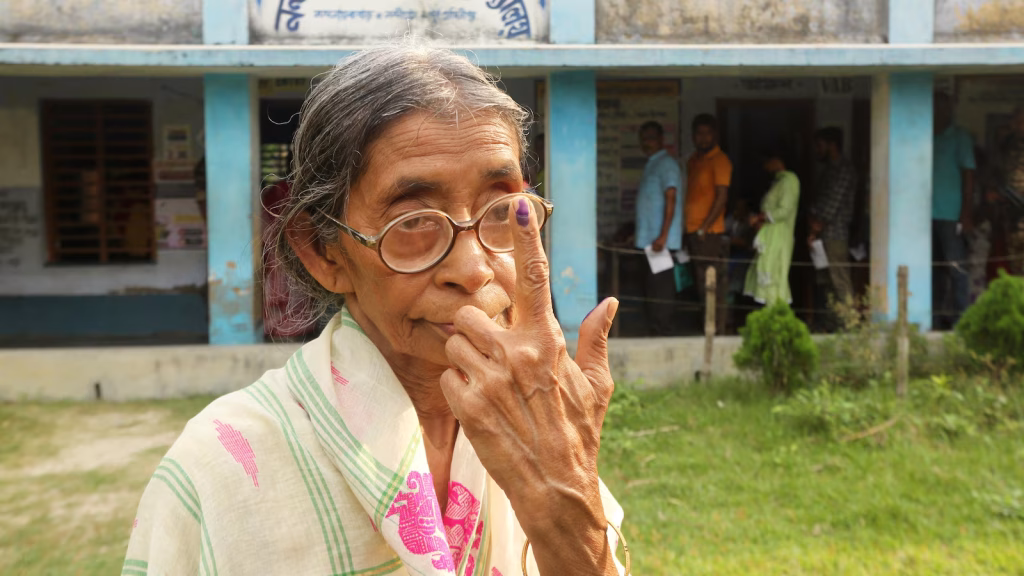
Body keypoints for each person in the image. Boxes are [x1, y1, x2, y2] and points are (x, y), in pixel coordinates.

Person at [124, 44, 626, 576]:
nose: (475, 268)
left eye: (503, 210)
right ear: (323, 252)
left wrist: (564, 495)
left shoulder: (542, 431)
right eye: (412, 221)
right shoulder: (220, 466)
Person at [634, 120, 684, 336]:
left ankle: (663, 329)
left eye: (652, 138)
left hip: (661, 243)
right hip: (649, 241)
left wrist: (663, 236)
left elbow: (671, 198)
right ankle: (655, 327)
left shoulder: (667, 164)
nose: (647, 143)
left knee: (661, 288)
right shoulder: (652, 163)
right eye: (644, 139)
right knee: (651, 287)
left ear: (662, 140)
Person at [685, 113, 732, 334]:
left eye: (707, 133)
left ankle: (716, 329)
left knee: (712, 284)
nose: (703, 138)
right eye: (699, 134)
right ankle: (706, 326)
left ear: (715, 135)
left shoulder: (720, 160)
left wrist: (705, 226)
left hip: (709, 233)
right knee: (699, 283)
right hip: (693, 231)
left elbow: (722, 197)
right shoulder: (694, 160)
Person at [932, 91, 975, 329]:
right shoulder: (925, 134)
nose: (939, 112)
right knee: (933, 271)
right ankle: (935, 320)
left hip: (951, 215)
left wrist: (966, 213)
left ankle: (962, 322)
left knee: (956, 268)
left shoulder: (960, 137)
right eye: (935, 107)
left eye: (943, 107)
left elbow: (969, 174)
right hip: (925, 215)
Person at [808, 127, 857, 327]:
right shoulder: (829, 170)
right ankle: (831, 322)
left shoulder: (843, 170)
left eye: (820, 145)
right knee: (825, 281)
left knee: (839, 281)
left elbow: (830, 207)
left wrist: (813, 229)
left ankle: (849, 324)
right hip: (822, 236)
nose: (817, 150)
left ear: (832, 145)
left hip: (834, 235)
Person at [744, 148, 800, 306]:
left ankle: (777, 316)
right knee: (766, 272)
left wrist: (760, 217)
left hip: (779, 236)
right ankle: (769, 317)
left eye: (767, 162)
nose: (765, 166)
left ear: (777, 161)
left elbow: (784, 210)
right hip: (770, 235)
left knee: (775, 274)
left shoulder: (789, 180)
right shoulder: (779, 181)